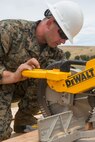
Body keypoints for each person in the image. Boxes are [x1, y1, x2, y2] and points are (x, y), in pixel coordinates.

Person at [0, 0, 83, 140]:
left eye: (66, 38)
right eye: (63, 35)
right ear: (50, 22)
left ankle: (24, 120)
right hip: (2, 87)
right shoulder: (8, 30)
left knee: (51, 76)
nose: (63, 41)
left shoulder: (55, 53)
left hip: (18, 91)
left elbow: (71, 76)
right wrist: (13, 76)